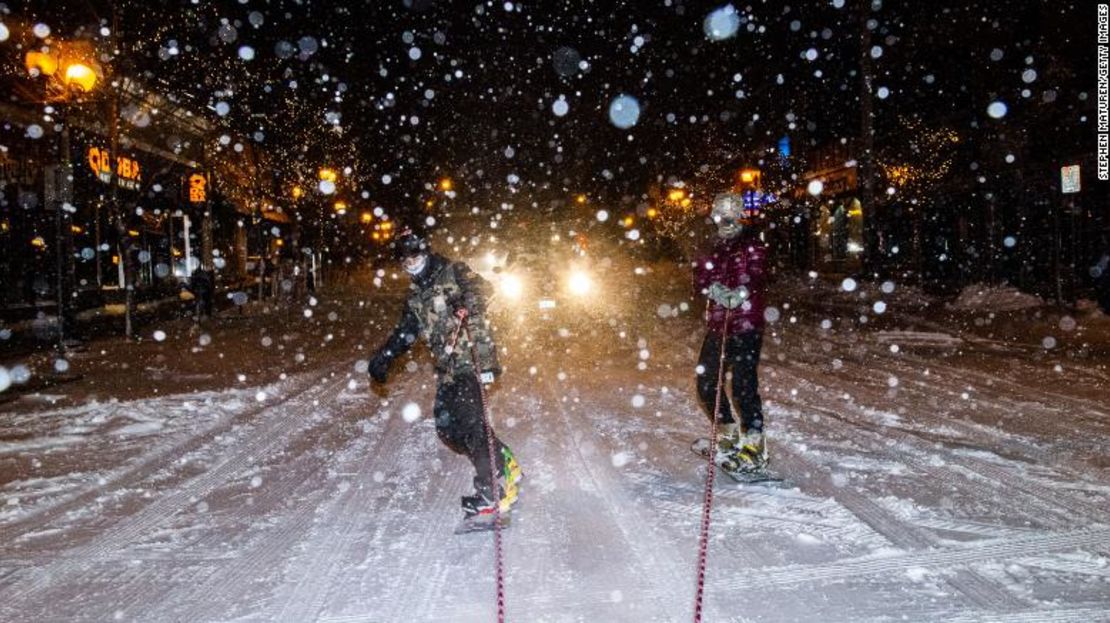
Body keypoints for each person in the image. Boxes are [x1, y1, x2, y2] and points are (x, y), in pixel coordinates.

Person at [367, 227, 522, 520]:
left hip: (472, 358)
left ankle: (491, 489)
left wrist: (466, 301)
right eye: (405, 261)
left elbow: (483, 289)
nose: (411, 264)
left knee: (469, 420)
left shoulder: (453, 271)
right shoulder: (415, 297)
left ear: (425, 252)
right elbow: (405, 333)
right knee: (447, 428)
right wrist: (383, 357)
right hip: (448, 367)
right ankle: (502, 459)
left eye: (414, 257)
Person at [693, 192, 769, 474]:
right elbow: (700, 276)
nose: (723, 220)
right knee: (706, 381)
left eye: (729, 214)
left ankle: (754, 444)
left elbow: (757, 273)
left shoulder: (751, 244)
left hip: (746, 323)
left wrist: (741, 293)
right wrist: (713, 290)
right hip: (718, 323)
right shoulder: (711, 246)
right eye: (719, 214)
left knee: (743, 385)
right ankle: (727, 433)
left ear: (738, 215)